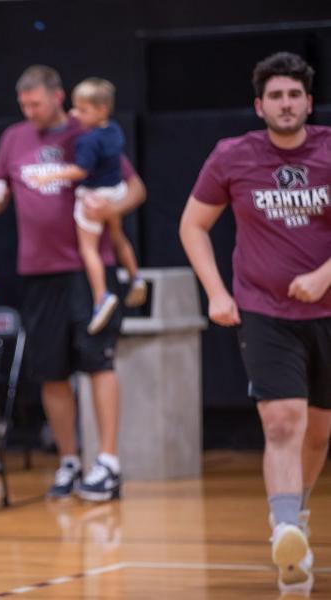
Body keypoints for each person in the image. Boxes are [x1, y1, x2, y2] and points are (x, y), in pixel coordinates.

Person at [179, 51, 330, 595]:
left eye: (294, 95)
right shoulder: (233, 155)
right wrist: (217, 292)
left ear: (308, 103)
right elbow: (193, 226)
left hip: (327, 309)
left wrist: (322, 274)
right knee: (283, 420)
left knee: (318, 432)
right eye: (275, 96)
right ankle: (285, 528)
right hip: (265, 311)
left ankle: (297, 517)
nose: (285, 104)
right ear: (259, 105)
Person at [0, 65, 147, 502]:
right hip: (37, 270)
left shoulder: (86, 129)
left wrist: (108, 210)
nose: (30, 111)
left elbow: (135, 189)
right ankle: (70, 460)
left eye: (37, 103)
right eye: (24, 105)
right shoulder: (13, 138)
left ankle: (107, 462)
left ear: (58, 97)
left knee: (98, 361)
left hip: (88, 269)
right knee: (51, 370)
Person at [29, 78, 147, 334]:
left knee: (88, 249)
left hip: (94, 197)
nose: (75, 114)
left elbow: (80, 171)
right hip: (115, 192)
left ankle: (101, 296)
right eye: (75, 108)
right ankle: (136, 277)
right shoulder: (114, 130)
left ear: (102, 110)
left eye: (83, 110)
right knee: (116, 236)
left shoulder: (87, 141)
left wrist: (48, 176)